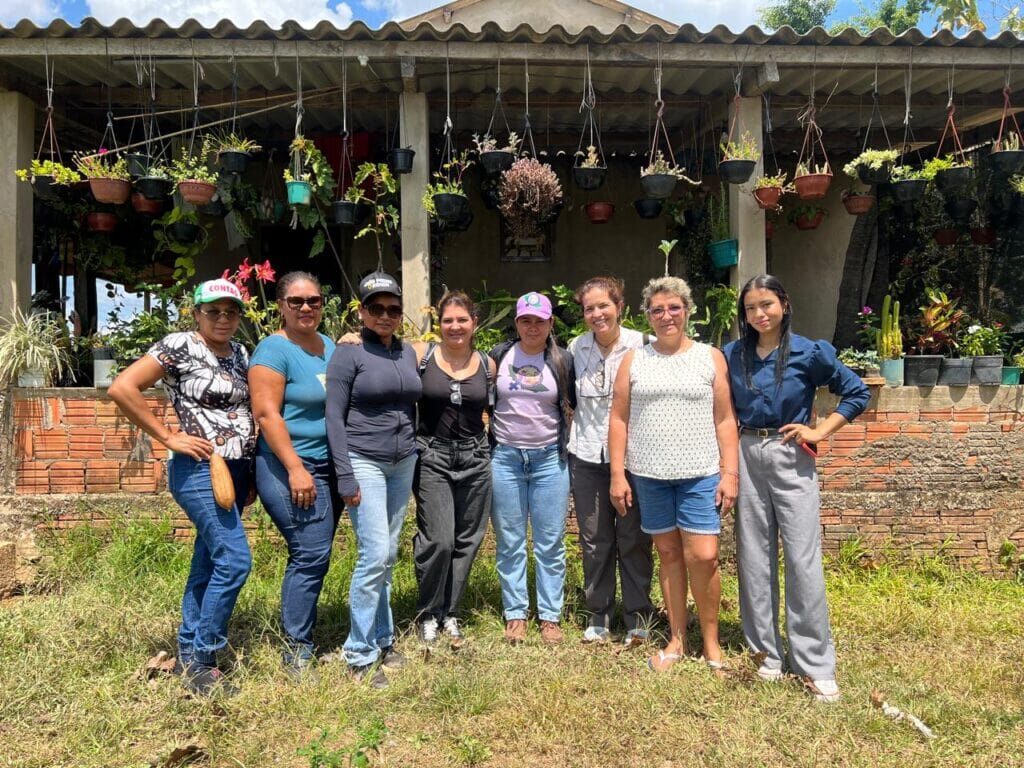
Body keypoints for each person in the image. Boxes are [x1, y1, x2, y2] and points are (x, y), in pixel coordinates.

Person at [724, 275, 869, 703]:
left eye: (766, 304)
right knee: (753, 557)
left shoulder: (810, 351)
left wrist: (820, 429)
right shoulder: (732, 355)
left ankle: (814, 664)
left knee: (803, 559)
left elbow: (856, 392)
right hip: (747, 451)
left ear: (784, 304)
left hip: (792, 454)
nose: (759, 314)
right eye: (750, 308)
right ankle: (766, 655)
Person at [108, 278, 255, 697]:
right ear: (196, 314)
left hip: (235, 472)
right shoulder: (179, 346)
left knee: (208, 562)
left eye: (231, 311)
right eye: (214, 311)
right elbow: (122, 387)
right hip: (199, 470)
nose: (223, 319)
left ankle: (189, 653)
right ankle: (204, 659)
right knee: (235, 560)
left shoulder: (240, 353)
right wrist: (168, 436)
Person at [608, 276, 738, 673]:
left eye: (674, 308)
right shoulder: (634, 359)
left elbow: (725, 419)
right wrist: (617, 472)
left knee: (704, 555)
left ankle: (711, 641)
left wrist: (729, 472)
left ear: (687, 311)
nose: (667, 316)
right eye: (658, 309)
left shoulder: (709, 357)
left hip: (699, 473)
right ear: (647, 316)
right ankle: (677, 638)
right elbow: (618, 418)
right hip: (650, 474)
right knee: (668, 554)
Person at [325, 271, 422, 689]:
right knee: (374, 555)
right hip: (364, 460)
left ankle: (383, 638)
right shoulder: (348, 354)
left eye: (393, 309)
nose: (385, 315)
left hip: (403, 462)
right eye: (376, 308)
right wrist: (344, 475)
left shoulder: (407, 353)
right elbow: (334, 417)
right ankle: (359, 652)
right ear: (362, 312)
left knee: (389, 555)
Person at [249, 272, 337, 680]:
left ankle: (303, 631)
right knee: (310, 552)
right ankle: (296, 647)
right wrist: (296, 468)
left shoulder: (328, 347)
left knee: (316, 553)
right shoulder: (274, 349)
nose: (306, 308)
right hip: (290, 465)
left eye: (314, 301)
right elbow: (267, 414)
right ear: (281, 306)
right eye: (297, 301)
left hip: (328, 465)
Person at [567, 277, 655, 645]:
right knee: (594, 538)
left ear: (619, 306)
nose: (597, 313)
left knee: (633, 536)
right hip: (586, 453)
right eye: (589, 308)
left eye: (604, 305)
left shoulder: (644, 346)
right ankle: (598, 614)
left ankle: (638, 616)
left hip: (634, 458)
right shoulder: (575, 348)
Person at [489, 291, 576, 646]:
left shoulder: (562, 360)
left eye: (540, 321)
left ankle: (550, 616)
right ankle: (515, 613)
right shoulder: (498, 356)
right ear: (517, 322)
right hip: (505, 458)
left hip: (548, 460)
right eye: (526, 319)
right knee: (509, 541)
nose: (532, 327)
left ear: (550, 323)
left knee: (550, 542)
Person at [411, 291, 496, 646]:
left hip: (476, 457)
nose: (455, 326)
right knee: (439, 540)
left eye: (462, 319)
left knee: (467, 540)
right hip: (432, 455)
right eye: (448, 320)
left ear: (474, 323)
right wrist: (351, 338)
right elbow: (379, 353)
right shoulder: (420, 354)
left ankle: (451, 612)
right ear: (439, 324)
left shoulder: (487, 364)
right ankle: (428, 612)